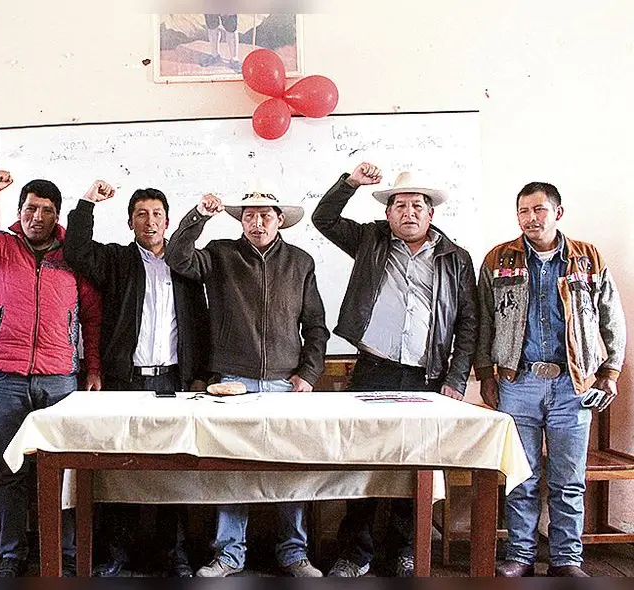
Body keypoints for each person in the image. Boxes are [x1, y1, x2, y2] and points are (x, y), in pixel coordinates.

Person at [311, 163, 478, 577]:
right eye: (399, 205)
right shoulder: (370, 240)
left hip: (426, 377)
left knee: (414, 465)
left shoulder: (455, 258)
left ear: (430, 213)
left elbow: (469, 324)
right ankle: (355, 552)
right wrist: (349, 182)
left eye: (417, 205)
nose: (408, 212)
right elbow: (323, 219)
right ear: (387, 213)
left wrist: (456, 380)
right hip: (373, 371)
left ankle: (405, 548)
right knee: (363, 462)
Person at [0, 170, 102, 577]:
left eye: (47, 210)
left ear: (57, 216)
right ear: (18, 211)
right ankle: (12, 554)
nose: (38, 216)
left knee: (62, 471)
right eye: (31, 208)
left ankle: (61, 552)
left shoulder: (73, 254)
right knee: (13, 469)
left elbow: (92, 317)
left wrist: (93, 366)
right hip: (7, 377)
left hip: (60, 377)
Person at [165, 184, 329, 578]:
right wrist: (199, 216)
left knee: (291, 467)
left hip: (284, 386)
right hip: (231, 383)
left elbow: (317, 327)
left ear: (280, 221)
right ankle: (229, 554)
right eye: (250, 215)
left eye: (266, 215)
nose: (258, 222)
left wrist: (307, 374)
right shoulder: (221, 254)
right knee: (231, 469)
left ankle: (294, 553)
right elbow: (177, 257)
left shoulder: (301, 262)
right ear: (241, 220)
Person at [475, 182, 626, 578]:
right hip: (517, 381)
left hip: (573, 385)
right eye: (523, 211)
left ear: (557, 213)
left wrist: (610, 371)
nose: (531, 218)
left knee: (568, 480)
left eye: (539, 210)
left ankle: (566, 560)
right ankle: (520, 556)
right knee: (520, 477)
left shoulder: (587, 258)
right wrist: (486, 374)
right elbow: (484, 320)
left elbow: (611, 317)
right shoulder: (498, 259)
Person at [63, 182, 210, 577]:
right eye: (141, 214)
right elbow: (75, 251)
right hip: (125, 383)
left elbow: (201, 324)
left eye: (157, 214)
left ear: (168, 221)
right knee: (118, 470)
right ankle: (116, 553)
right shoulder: (115, 260)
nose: (150, 221)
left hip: (173, 384)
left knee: (174, 469)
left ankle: (174, 551)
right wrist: (87, 203)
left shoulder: (186, 265)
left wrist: (199, 378)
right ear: (130, 222)